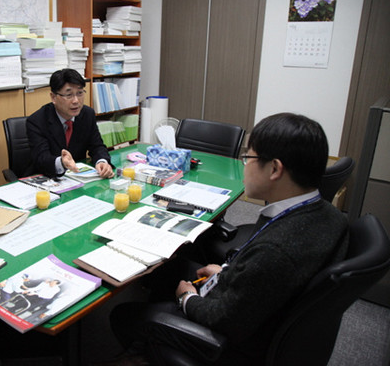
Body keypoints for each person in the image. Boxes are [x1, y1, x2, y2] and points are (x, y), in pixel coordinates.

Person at [108, 113, 350, 366]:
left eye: (249, 158)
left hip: (237, 343)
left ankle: (149, 351)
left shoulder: (275, 251)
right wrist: (228, 271)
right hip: (263, 308)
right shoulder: (331, 215)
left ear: (275, 169)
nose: (245, 166)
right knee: (171, 268)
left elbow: (225, 320)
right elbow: (263, 279)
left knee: (125, 315)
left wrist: (187, 298)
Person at [26, 68, 114, 178]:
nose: (76, 101)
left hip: (77, 178)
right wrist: (62, 163)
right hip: (48, 179)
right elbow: (41, 159)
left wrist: (102, 161)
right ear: (53, 97)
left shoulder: (87, 114)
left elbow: (97, 146)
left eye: (80, 93)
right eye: (69, 95)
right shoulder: (37, 121)